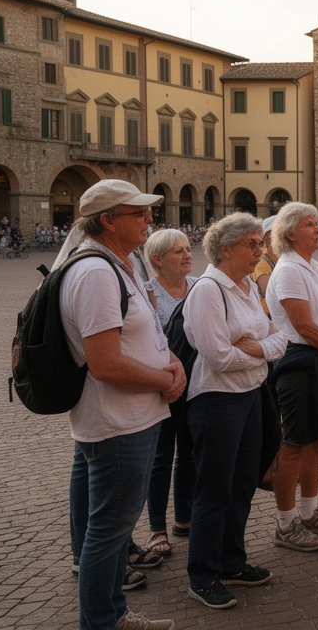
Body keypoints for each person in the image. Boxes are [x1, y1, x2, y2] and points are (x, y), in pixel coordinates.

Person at [61, 180, 182, 630]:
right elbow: (106, 363)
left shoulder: (122, 264)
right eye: (139, 214)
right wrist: (165, 379)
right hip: (116, 422)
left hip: (135, 416)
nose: (150, 221)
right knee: (108, 532)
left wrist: (170, 361)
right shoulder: (95, 273)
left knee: (114, 529)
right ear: (108, 220)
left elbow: (146, 330)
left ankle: (114, 613)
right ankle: (100, 623)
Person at [182, 214, 287, 609]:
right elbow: (219, 356)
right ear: (225, 249)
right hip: (217, 401)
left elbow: (279, 337)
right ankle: (203, 573)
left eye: (260, 243)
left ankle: (231, 560)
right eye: (251, 244)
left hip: (250, 395)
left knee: (242, 483)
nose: (259, 251)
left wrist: (257, 348)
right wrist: (261, 350)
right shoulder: (209, 291)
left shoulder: (244, 286)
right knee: (214, 489)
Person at [264, 202, 318, 552]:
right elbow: (300, 324)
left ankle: (310, 511)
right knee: (295, 444)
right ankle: (286, 523)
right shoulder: (287, 271)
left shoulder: (314, 268)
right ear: (289, 233)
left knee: (317, 439)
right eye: (310, 225)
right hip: (299, 362)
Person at [142, 229, 198, 558]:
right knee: (161, 458)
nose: (188, 255)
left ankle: (185, 518)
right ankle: (156, 527)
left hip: (197, 383)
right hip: (162, 387)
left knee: (189, 453)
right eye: (179, 251)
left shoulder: (200, 287)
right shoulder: (146, 293)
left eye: (188, 249)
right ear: (157, 260)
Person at [252, 216, 278, 316]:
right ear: (268, 236)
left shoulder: (279, 258)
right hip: (269, 316)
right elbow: (271, 293)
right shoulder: (261, 262)